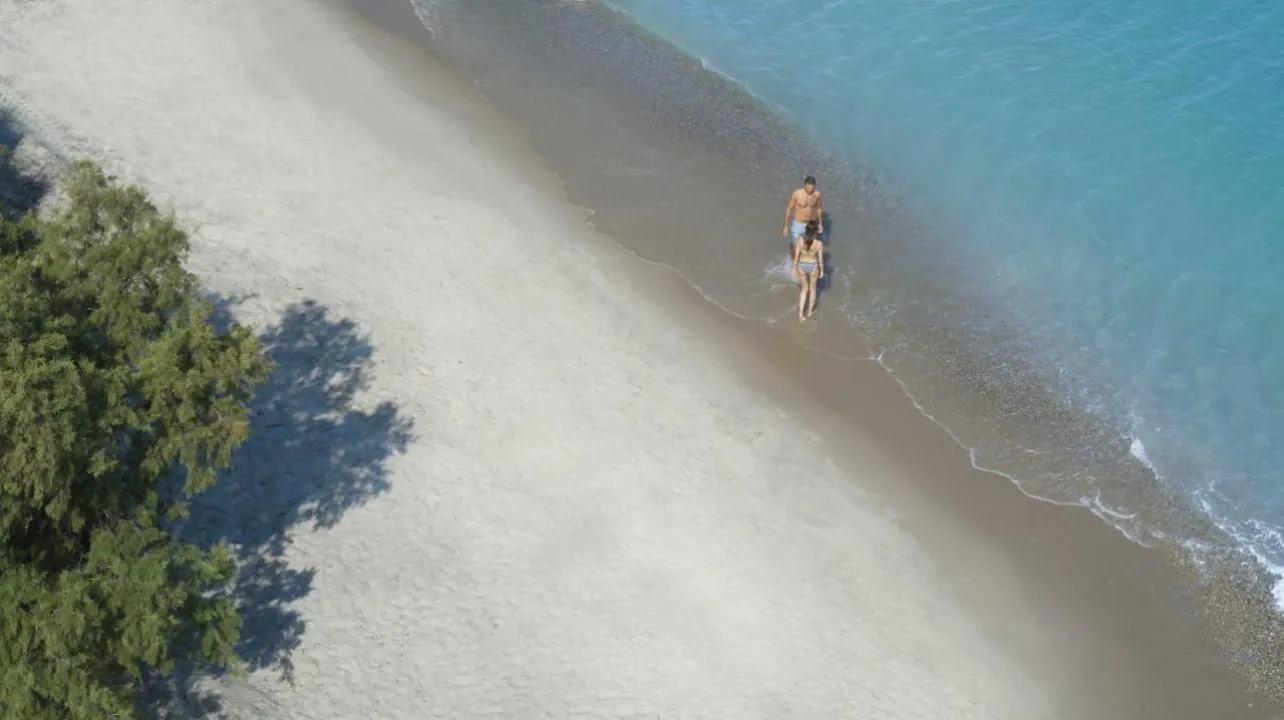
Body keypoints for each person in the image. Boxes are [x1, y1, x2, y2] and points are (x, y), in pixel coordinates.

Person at [781, 175, 824, 259]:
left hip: (810, 224)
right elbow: (789, 209)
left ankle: (806, 263)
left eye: (812, 188)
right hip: (798, 223)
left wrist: (820, 224)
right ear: (804, 185)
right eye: (808, 188)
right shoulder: (797, 193)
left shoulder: (817, 195)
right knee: (795, 247)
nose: (810, 190)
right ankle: (793, 262)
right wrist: (785, 226)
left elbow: (819, 208)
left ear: (815, 186)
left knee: (809, 248)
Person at [792, 219, 824, 320]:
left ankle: (801, 314)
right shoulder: (819, 244)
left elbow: (796, 256)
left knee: (804, 290)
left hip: (802, 265)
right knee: (813, 289)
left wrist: (794, 268)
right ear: (815, 232)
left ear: (806, 230)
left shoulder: (800, 240)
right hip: (813, 265)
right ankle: (810, 311)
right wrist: (822, 271)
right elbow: (820, 259)